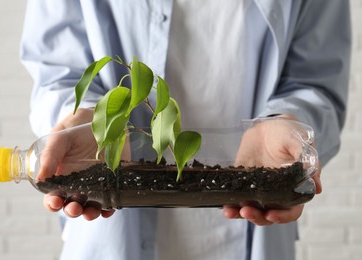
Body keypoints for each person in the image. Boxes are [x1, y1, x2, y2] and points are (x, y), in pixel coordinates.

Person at [20, 0, 351, 259]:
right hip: (114, 237)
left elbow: (316, 81)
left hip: (253, 224)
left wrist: (289, 124)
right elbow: (56, 72)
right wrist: (93, 121)